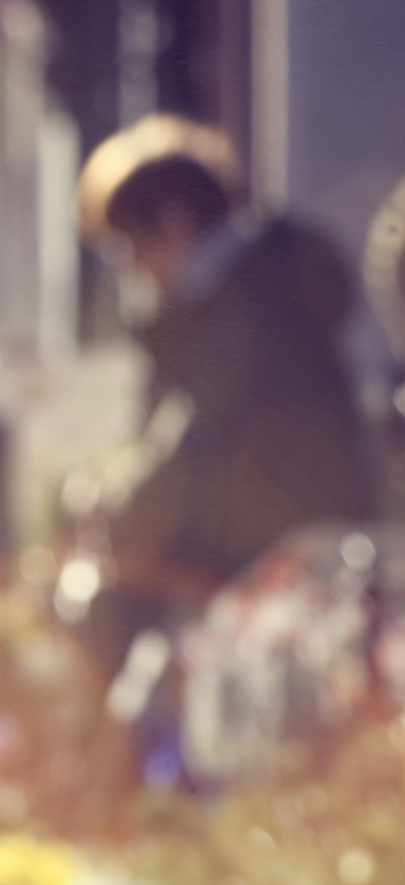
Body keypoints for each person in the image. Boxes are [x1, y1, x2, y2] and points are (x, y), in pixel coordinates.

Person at [78, 117, 378, 681]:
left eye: (129, 245)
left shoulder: (236, 310)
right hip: (298, 571)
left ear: (173, 221)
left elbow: (185, 455)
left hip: (267, 578)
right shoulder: (265, 286)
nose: (131, 269)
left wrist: (108, 522)